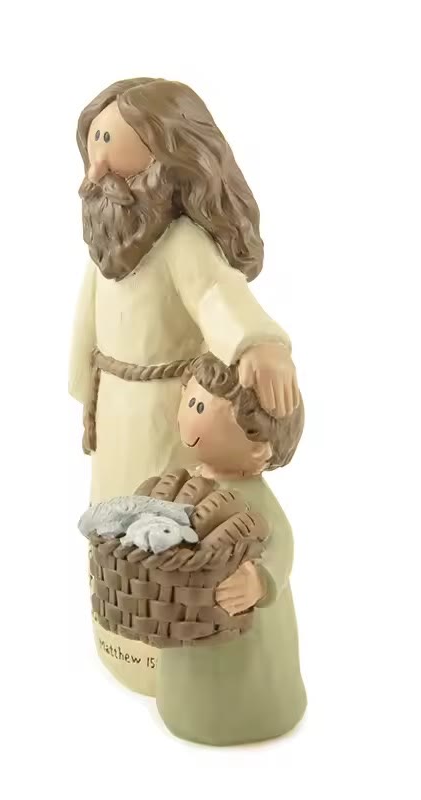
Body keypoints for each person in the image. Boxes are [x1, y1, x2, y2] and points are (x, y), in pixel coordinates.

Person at [69, 78, 301, 696]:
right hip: (114, 404)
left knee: (170, 526)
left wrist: (257, 343)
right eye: (94, 140)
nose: (97, 162)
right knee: (113, 524)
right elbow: (87, 321)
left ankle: (170, 655)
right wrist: (84, 390)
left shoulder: (180, 241)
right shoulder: (108, 243)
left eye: (112, 141)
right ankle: (118, 634)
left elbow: (216, 295)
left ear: (165, 152)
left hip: (169, 408)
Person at [155, 352, 306, 745]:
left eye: (201, 408)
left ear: (259, 449)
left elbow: (282, 544)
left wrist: (260, 581)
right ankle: (182, 707)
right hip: (186, 616)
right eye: (190, 400)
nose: (188, 416)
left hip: (244, 629)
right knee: (189, 668)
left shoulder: (255, 501)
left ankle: (257, 715)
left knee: (244, 672)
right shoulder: (188, 483)